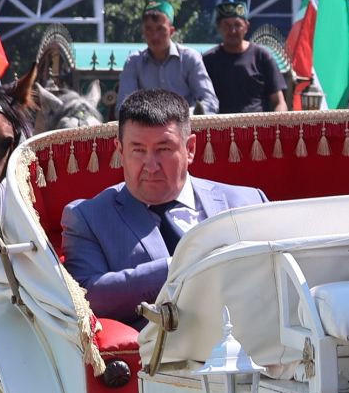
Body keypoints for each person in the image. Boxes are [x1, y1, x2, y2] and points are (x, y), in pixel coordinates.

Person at [62, 89, 267, 324]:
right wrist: (181, 266)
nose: (151, 165)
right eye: (138, 150)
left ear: (190, 149)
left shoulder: (247, 203)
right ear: (120, 151)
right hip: (154, 354)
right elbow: (86, 298)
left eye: (164, 149)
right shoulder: (87, 218)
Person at [118, 0, 218, 112]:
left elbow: (210, 102)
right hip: (148, 127)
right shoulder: (133, 62)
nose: (154, 36)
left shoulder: (189, 58)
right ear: (143, 31)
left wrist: (184, 116)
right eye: (148, 29)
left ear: (171, 31)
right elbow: (123, 107)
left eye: (160, 29)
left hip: (187, 126)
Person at [201, 0, 286, 113]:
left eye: (237, 25)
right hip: (220, 127)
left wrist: (277, 125)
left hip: (257, 127)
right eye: (227, 25)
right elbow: (200, 100)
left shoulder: (261, 56)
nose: (233, 31)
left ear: (246, 27)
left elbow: (279, 102)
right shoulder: (208, 60)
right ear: (218, 27)